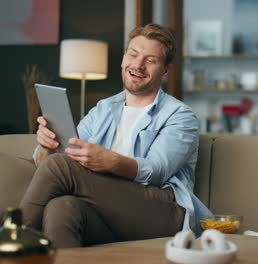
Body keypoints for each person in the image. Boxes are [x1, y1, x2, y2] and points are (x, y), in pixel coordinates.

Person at [19, 23, 212, 248]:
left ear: (165, 71)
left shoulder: (180, 115)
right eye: (134, 54)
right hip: (110, 211)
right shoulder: (102, 109)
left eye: (150, 60)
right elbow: (50, 160)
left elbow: (157, 171)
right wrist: (48, 147)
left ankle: (9, 244)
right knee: (62, 207)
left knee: (60, 167)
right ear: (124, 58)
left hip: (163, 212)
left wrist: (110, 161)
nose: (138, 64)